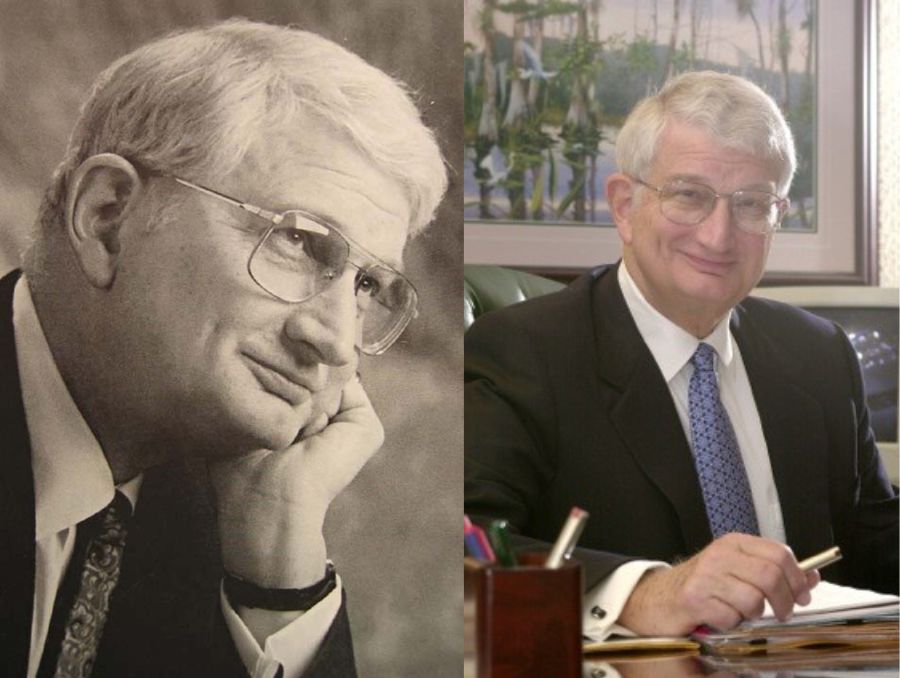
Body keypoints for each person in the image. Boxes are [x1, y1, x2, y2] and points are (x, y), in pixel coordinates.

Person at [0, 18, 447, 678]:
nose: (336, 341)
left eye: (367, 286)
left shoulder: (230, 520)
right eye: (299, 241)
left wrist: (277, 579)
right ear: (107, 217)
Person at [465, 71, 898, 641]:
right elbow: (459, 546)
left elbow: (872, 542)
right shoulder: (519, 352)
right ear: (624, 205)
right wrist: (642, 593)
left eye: (752, 204)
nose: (718, 237)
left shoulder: (816, 352)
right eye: (689, 196)